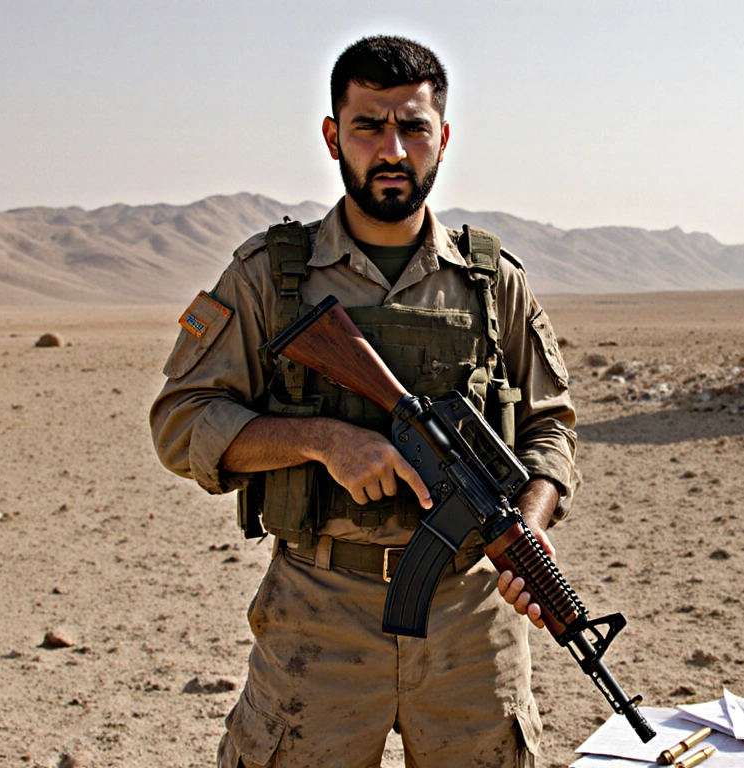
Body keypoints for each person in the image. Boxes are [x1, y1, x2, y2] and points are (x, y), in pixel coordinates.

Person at [149, 35, 579, 768]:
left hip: (471, 625)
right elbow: (182, 419)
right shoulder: (271, 276)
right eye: (369, 125)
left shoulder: (491, 280)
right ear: (332, 136)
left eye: (412, 127)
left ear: (442, 138)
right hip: (320, 610)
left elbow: (550, 427)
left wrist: (528, 529)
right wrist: (321, 440)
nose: (393, 149)